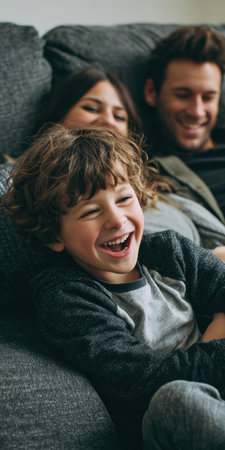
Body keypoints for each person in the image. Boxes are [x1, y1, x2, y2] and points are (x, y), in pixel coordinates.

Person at [3, 124, 225, 450]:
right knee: (176, 401)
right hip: (180, 417)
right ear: (53, 235)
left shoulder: (169, 250)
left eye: (124, 198)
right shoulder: (67, 299)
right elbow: (145, 382)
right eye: (91, 211)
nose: (117, 220)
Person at [144, 26, 225, 225]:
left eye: (208, 97)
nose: (197, 111)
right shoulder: (151, 175)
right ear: (152, 92)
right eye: (183, 95)